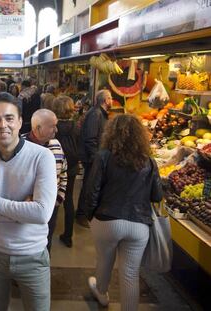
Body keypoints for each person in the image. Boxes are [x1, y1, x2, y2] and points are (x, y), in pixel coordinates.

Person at [0, 92, 57, 311]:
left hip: (33, 256)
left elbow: (42, 214)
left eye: (9, 118)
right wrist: (23, 211)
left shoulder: (42, 157)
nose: (2, 124)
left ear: (20, 122)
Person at [83, 114, 163, 310]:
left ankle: (101, 293)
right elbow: (157, 195)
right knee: (130, 273)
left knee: (104, 259)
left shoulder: (103, 156)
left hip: (107, 220)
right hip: (139, 224)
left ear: (111, 133)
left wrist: (90, 215)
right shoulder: (149, 162)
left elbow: (92, 190)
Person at [22, 109, 67, 252]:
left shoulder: (56, 144)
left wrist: (58, 200)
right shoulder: (19, 146)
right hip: (25, 212)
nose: (57, 129)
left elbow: (64, 173)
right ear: (38, 128)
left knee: (46, 245)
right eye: (52, 126)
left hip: (50, 209)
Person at [76, 89, 113, 228]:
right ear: (105, 100)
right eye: (110, 98)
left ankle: (84, 213)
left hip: (95, 157)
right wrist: (96, 158)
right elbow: (91, 139)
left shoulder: (100, 114)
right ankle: (81, 215)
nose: (112, 100)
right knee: (88, 186)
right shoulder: (95, 114)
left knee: (90, 185)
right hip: (92, 158)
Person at [53, 96, 80, 247]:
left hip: (54, 167)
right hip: (71, 167)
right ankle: (68, 236)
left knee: (51, 199)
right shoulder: (76, 126)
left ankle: (47, 231)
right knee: (68, 200)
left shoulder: (52, 127)